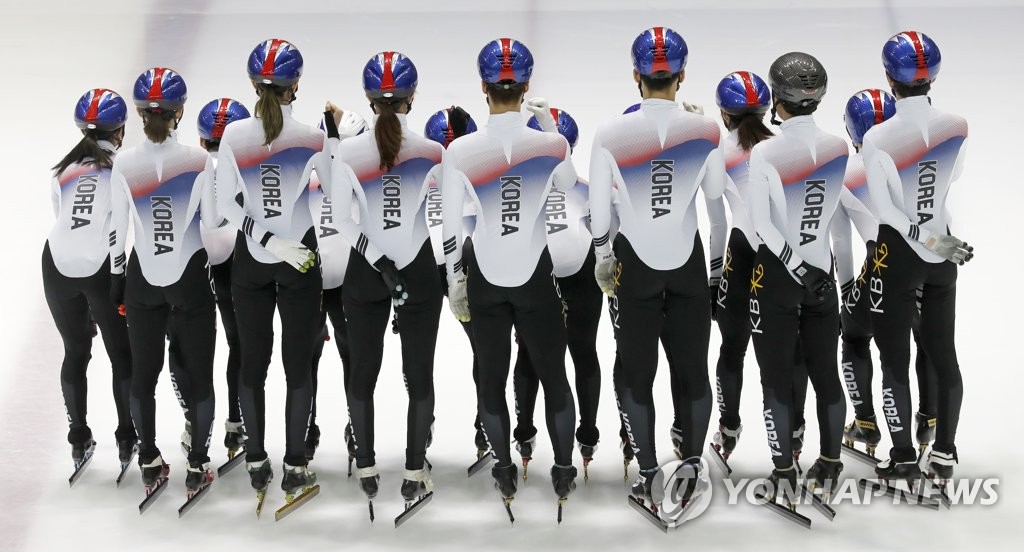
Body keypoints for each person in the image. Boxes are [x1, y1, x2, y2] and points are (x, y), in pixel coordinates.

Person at [441, 37, 579, 514]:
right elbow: (567, 183)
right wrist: (549, 126)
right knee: (555, 377)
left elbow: (451, 226)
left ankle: (503, 468)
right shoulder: (551, 144)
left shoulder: (460, 150)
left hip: (485, 276)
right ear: (527, 87)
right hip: (535, 276)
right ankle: (564, 470)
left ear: (483, 87)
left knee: (491, 381)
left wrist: (456, 281)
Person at [588, 27, 724, 509]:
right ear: (682, 77)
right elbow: (715, 198)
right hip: (687, 263)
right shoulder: (706, 130)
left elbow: (600, 211)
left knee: (636, 374)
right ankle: (691, 468)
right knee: (693, 372)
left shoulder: (610, 133)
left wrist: (604, 256)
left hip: (635, 265)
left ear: (636, 77)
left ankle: (648, 473)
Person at [215, 38, 330, 506]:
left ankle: (257, 460)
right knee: (297, 366)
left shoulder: (233, 135)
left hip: (252, 262)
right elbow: (334, 194)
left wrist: (265, 241)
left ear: (252, 85)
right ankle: (295, 465)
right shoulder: (312, 137)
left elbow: (226, 205)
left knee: (253, 363)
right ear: (294, 86)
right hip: (300, 259)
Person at [330, 50, 444, 511]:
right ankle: (415, 472)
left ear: (369, 100)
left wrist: (378, 259)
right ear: (412, 99)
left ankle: (367, 467)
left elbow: (342, 219)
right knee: (419, 375)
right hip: (418, 266)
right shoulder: (433, 152)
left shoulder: (347, 153)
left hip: (365, 269)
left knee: (362, 371)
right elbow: (444, 214)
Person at [864, 31, 973, 487]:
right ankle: (944, 454)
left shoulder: (877, 137)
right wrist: (936, 239)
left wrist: (921, 237)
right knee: (944, 355)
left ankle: (904, 456)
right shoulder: (957, 126)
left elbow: (886, 211)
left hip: (900, 256)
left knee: (894, 360)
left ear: (889, 79)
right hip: (942, 251)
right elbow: (949, 182)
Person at [110, 67, 218, 498]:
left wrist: (117, 280)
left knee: (143, 376)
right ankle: (197, 464)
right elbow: (213, 221)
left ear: (139, 114)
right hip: (189, 276)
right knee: (201, 375)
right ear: (181, 112)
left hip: (142, 279)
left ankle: (150, 460)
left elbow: (118, 230)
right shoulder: (198, 160)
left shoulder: (123, 163)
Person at [746, 52, 848, 505]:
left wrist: (794, 266)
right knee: (826, 373)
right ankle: (830, 461)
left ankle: (784, 470)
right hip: (823, 277)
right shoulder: (839, 147)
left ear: (777, 98)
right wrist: (812, 269)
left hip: (779, 277)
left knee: (776, 379)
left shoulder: (765, 152)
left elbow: (762, 225)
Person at [44, 88, 136, 473]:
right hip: (100, 266)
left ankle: (78, 437)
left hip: (55, 263)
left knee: (75, 351)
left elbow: (63, 218)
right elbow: (119, 229)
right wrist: (117, 280)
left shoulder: (62, 169)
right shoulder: (123, 167)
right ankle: (127, 436)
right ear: (120, 131)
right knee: (121, 354)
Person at [511, 108, 603, 479]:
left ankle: (525, 432)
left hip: (539, 277)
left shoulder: (517, 188)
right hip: (576, 274)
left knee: (531, 355)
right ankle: (586, 434)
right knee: (583, 352)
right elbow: (605, 232)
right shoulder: (585, 188)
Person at [172, 98, 251, 461]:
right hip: (235, 265)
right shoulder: (247, 167)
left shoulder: (191, 165)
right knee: (240, 343)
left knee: (184, 348)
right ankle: (237, 423)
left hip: (193, 266)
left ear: (202, 141)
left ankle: (193, 420)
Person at [423, 106, 487, 458]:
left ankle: (425, 424)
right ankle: (484, 424)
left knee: (419, 354)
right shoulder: (478, 172)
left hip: (429, 263)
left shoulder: (419, 171)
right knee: (484, 347)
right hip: (462, 260)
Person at [305, 106, 367, 464]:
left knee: (312, 360)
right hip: (343, 282)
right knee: (351, 358)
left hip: (316, 280)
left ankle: (307, 430)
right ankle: (353, 428)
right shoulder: (363, 177)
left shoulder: (312, 173)